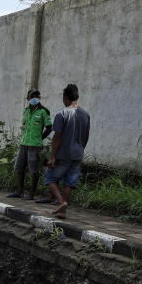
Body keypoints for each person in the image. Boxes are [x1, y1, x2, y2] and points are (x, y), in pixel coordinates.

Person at [45, 84, 90, 219]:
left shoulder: (62, 114)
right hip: (77, 153)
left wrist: (52, 156)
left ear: (65, 98)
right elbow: (86, 136)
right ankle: (63, 211)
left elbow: (56, 137)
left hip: (64, 153)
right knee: (69, 182)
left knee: (50, 178)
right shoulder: (85, 115)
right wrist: (80, 149)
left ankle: (61, 202)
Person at [9, 90, 53, 200]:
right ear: (28, 98)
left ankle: (32, 194)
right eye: (32, 96)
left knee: (33, 169)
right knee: (19, 167)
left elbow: (49, 127)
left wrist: (40, 138)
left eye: (37, 96)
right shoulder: (25, 111)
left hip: (35, 145)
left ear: (39, 98)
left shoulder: (44, 111)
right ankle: (20, 191)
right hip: (23, 143)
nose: (35, 98)